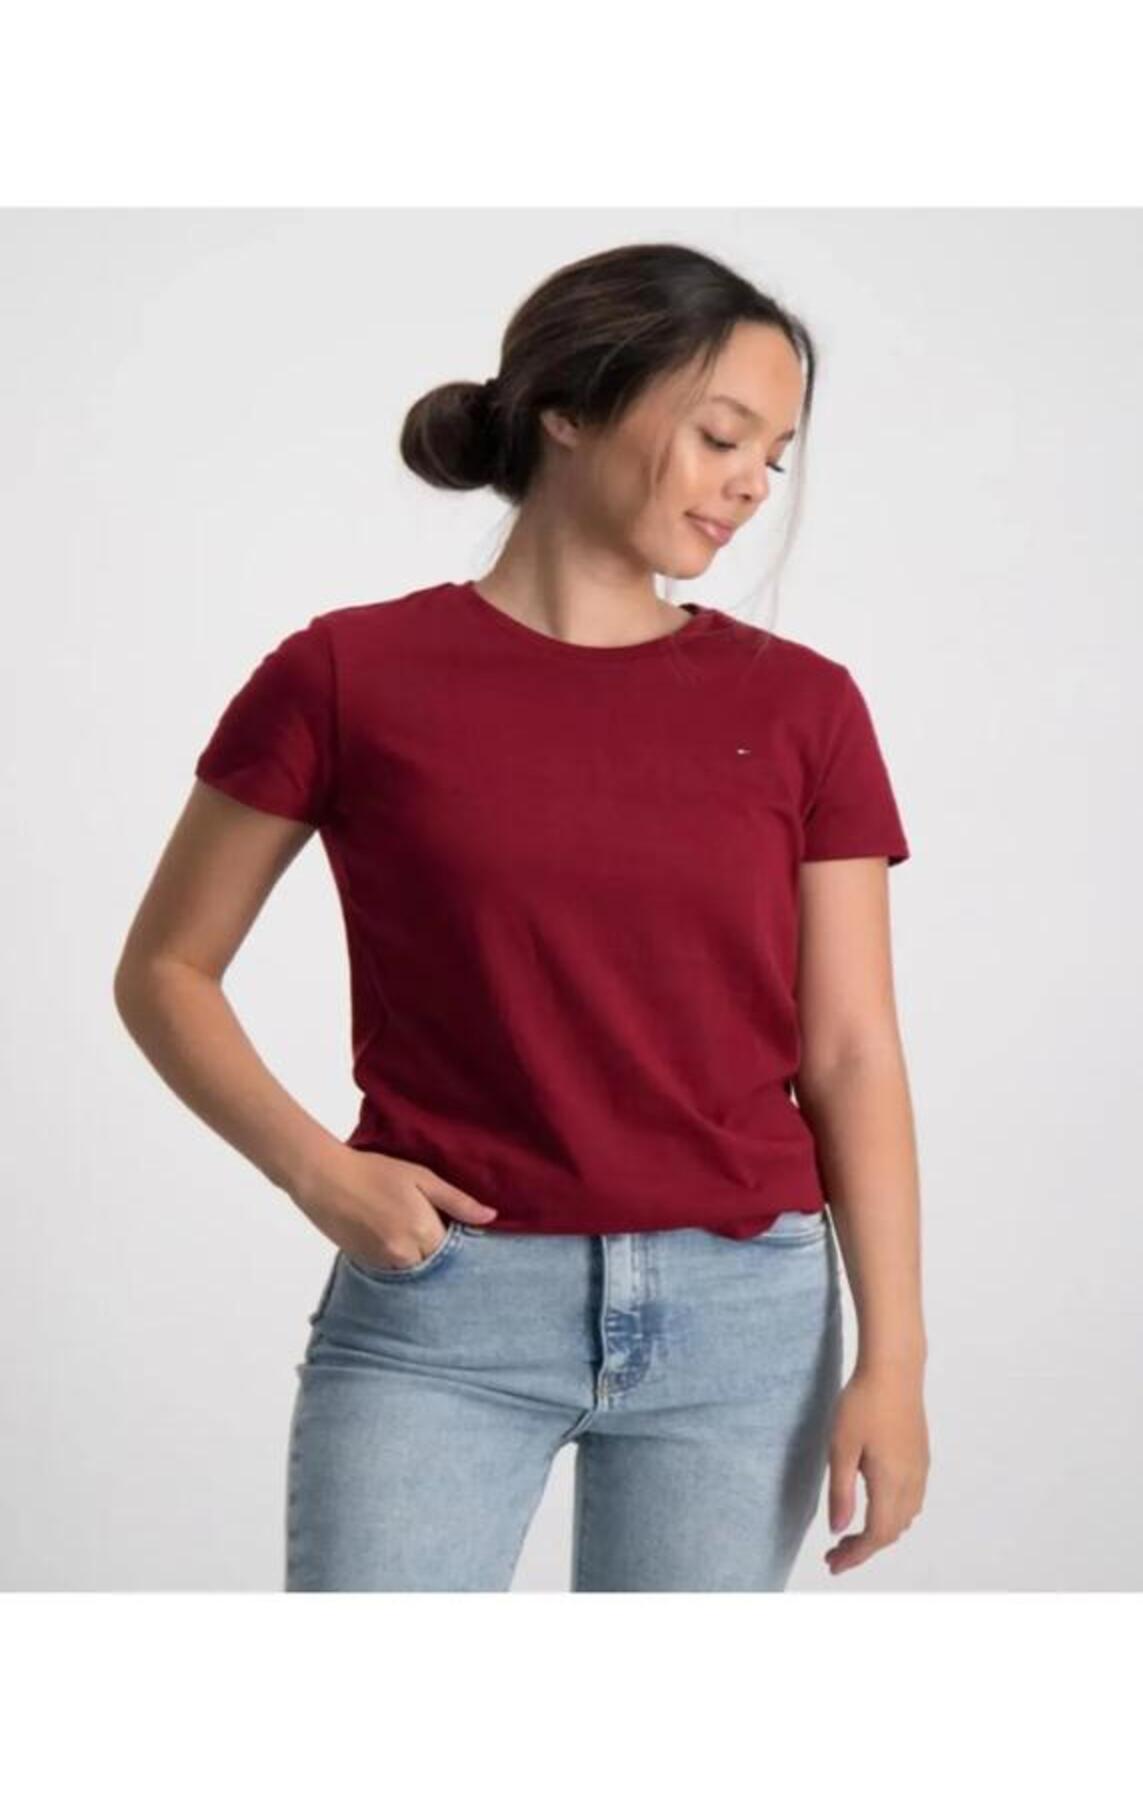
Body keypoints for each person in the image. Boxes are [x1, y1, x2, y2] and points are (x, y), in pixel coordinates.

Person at [113, 241, 930, 1591]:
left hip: (746, 1318)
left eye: (774, 457)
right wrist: (316, 1171)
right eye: (722, 434)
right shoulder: (345, 675)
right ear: (569, 408)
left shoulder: (804, 706)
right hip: (444, 1305)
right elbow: (165, 969)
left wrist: (894, 1359)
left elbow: (849, 1049)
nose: (750, 483)